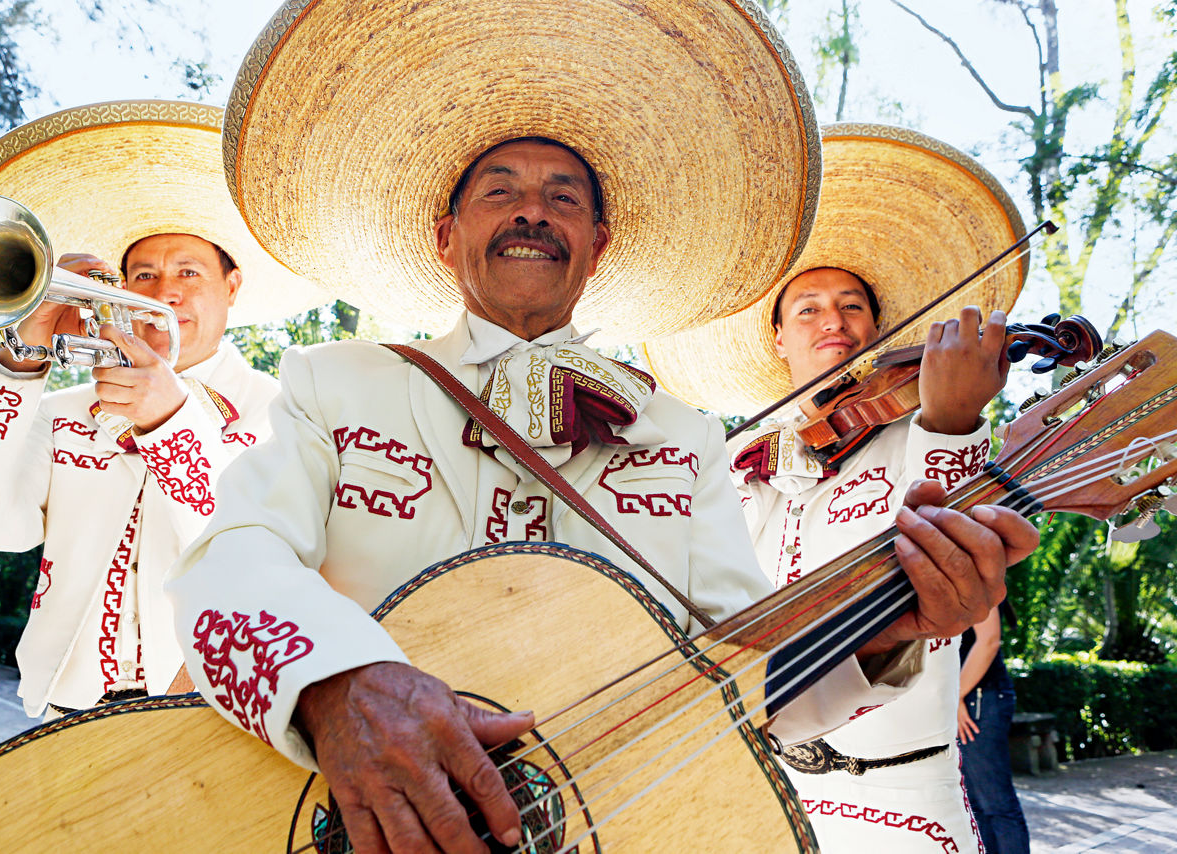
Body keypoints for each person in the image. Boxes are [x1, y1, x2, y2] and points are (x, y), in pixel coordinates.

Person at [169, 8, 1040, 846]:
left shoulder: (687, 436)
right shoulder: (338, 382)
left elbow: (746, 677)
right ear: (447, 235)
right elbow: (229, 560)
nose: (532, 211)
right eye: (499, 190)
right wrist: (335, 687)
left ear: (598, 238)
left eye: (562, 197)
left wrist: (889, 632)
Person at [644, 124, 1031, 852]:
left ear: (880, 328)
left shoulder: (922, 431)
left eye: (852, 304)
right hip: (765, 790)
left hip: (908, 799)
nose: (834, 319)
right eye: (808, 308)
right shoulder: (731, 459)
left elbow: (953, 528)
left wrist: (952, 417)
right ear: (779, 339)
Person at [0, 100, 325, 718]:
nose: (164, 292)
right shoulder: (63, 409)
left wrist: (171, 420)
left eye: (188, 271)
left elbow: (254, 552)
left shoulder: (284, 409)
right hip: (65, 711)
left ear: (232, 287)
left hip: (216, 715)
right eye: (141, 274)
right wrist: (23, 353)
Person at [959, 605, 1031, 854]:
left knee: (996, 805)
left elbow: (988, 640)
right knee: (976, 805)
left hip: (978, 699)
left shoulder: (980, 574)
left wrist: (954, 697)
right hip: (965, 699)